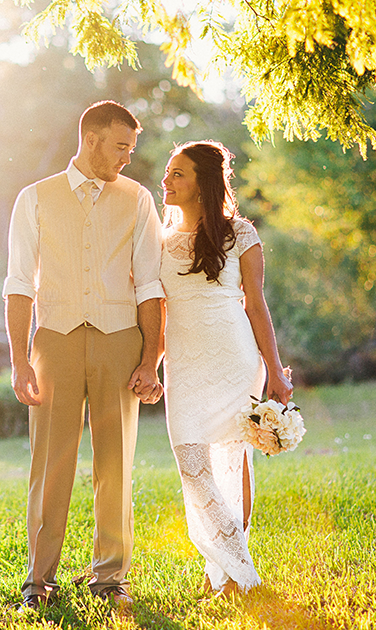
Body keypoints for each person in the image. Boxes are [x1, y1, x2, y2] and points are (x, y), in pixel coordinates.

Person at [3, 100, 165, 611]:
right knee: (51, 462)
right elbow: (18, 285)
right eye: (121, 147)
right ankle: (40, 579)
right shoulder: (34, 199)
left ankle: (110, 576)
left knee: (115, 462)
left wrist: (150, 360)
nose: (127, 158)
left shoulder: (138, 200)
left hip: (122, 339)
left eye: (131, 149)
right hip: (55, 338)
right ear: (91, 139)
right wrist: (20, 359)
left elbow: (151, 286)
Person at [153, 140, 293, 597]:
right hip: (185, 364)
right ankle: (239, 569)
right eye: (169, 172)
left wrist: (274, 368)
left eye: (178, 174)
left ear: (203, 185)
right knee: (192, 464)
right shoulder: (158, 241)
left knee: (235, 458)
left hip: (235, 356)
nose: (166, 181)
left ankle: (231, 575)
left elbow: (257, 305)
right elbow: (156, 313)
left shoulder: (241, 235)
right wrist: (149, 365)